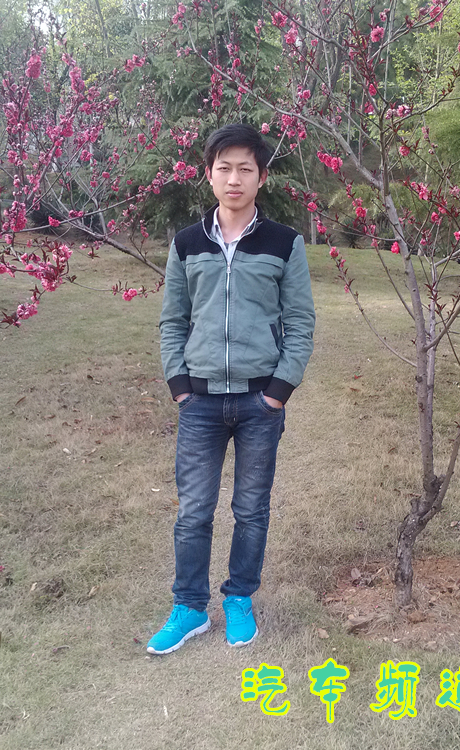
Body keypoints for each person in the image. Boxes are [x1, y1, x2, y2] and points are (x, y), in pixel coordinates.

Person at [147, 123, 315, 655]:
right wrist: (180, 385)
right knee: (194, 511)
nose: (235, 178)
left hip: (259, 401)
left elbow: (301, 323)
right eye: (225, 168)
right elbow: (173, 321)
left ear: (261, 176)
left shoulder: (284, 243)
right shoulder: (186, 243)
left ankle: (239, 598)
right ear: (209, 175)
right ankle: (189, 607)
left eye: (246, 168)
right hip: (199, 402)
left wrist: (278, 392)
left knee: (251, 509)